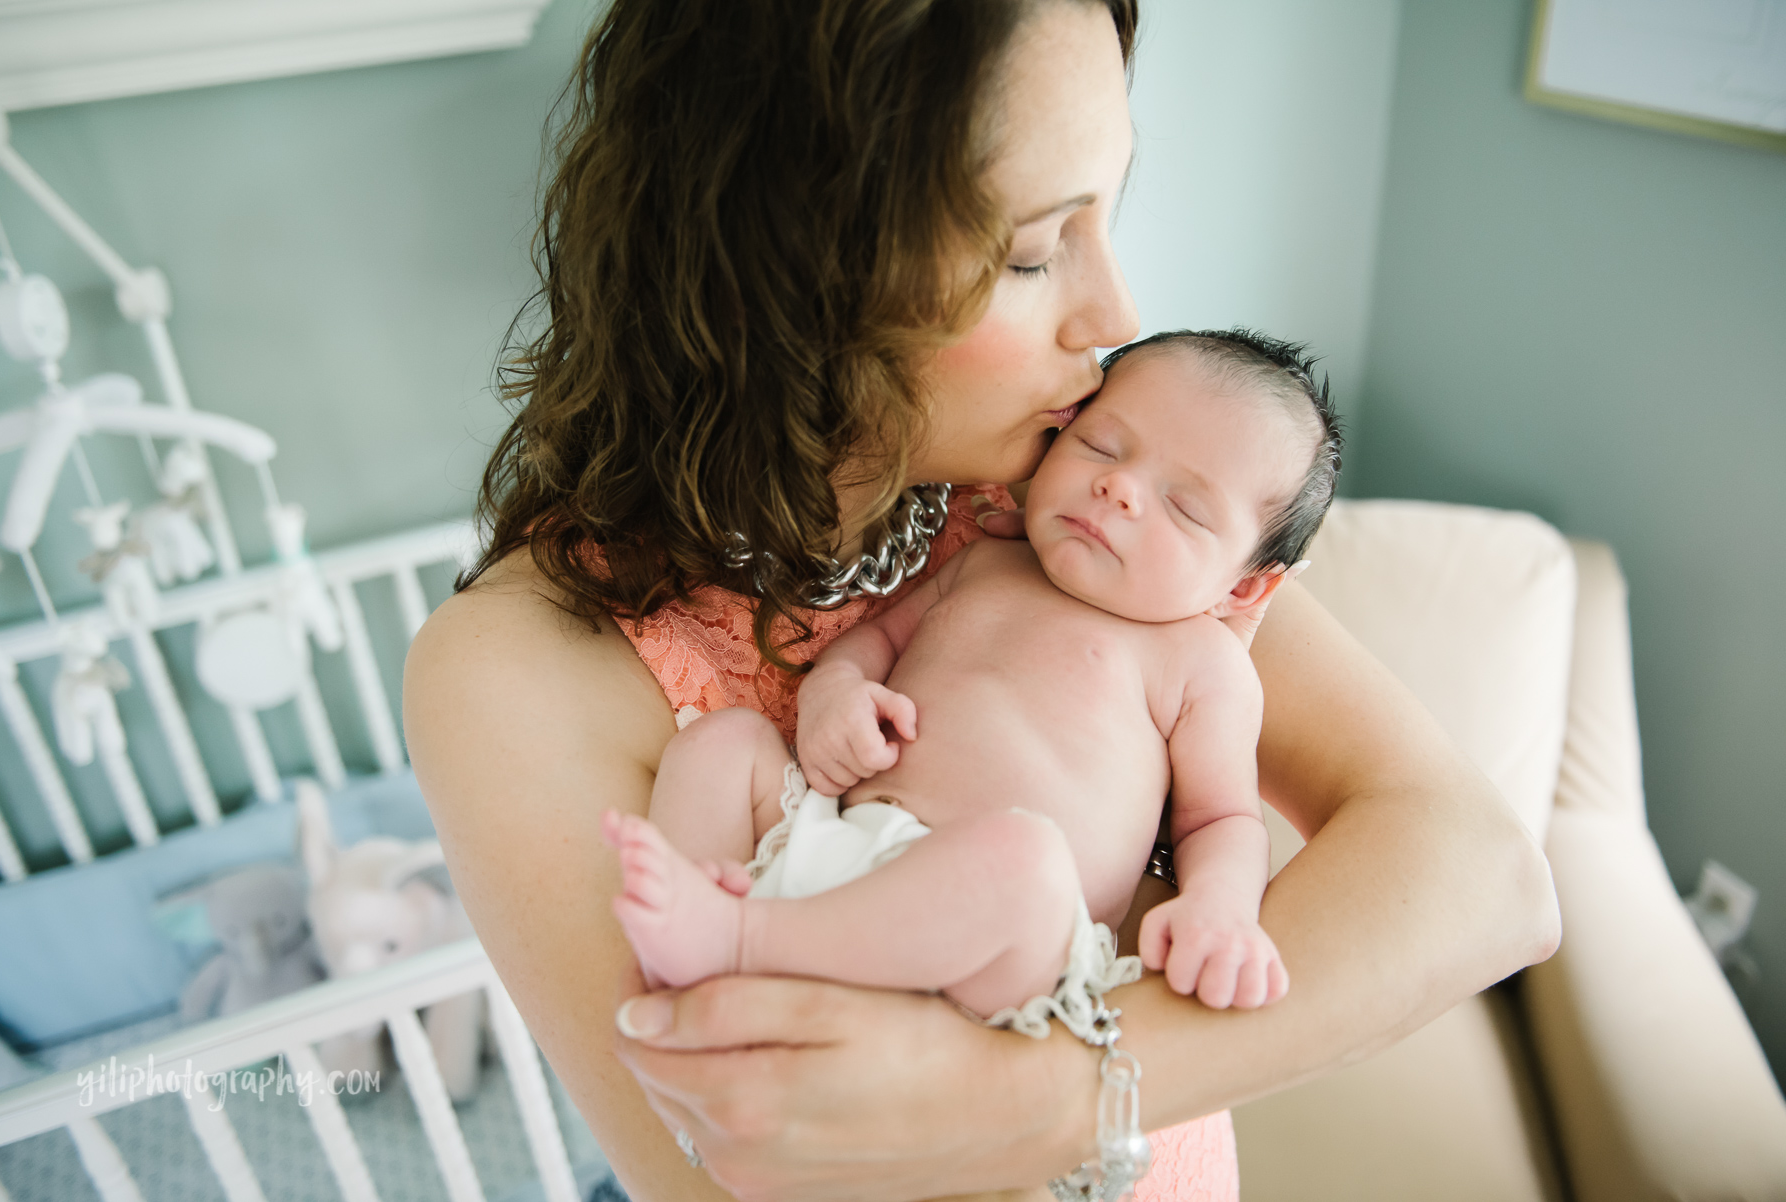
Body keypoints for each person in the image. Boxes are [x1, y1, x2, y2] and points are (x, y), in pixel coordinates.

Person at [403, 1, 1562, 1199]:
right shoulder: (516, 670)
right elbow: (724, 1150)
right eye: (1031, 252)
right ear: (793, 267)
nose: (1117, 320)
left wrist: (1057, 1083)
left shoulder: (1076, 505)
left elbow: (1483, 873)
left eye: (1111, 214)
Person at [602, 329, 1342, 1032]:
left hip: (996, 945)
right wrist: (837, 694)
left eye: (1183, 506)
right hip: (837, 848)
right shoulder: (989, 563)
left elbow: (1222, 820)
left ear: (1244, 590)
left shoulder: (1203, 663)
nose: (1118, 488)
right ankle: (691, 959)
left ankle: (741, 943)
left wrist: (1220, 907)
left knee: (1026, 859)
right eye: (1100, 446)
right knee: (725, 744)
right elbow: (874, 642)